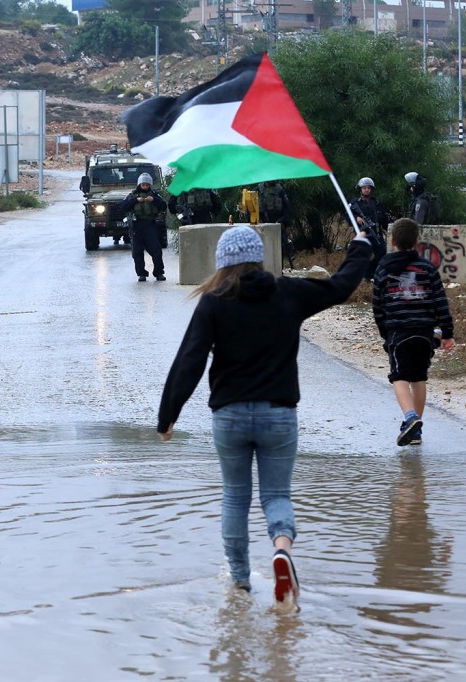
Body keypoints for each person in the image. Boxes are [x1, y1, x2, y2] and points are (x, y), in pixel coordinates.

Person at [157, 226, 372, 603]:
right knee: (276, 494)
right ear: (259, 257)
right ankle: (282, 550)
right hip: (279, 414)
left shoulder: (214, 301)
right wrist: (359, 248)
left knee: (236, 498)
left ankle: (240, 580)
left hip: (230, 415)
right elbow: (339, 288)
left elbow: (190, 358)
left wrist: (169, 413)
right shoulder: (288, 292)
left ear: (222, 262)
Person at [372, 218, 456, 446]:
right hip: (425, 333)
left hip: (398, 332)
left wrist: (384, 332)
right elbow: (440, 301)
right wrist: (447, 333)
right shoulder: (427, 268)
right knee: (419, 378)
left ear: (393, 241)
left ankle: (410, 417)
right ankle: (416, 431)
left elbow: (377, 305)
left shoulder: (384, 267)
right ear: (417, 241)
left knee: (399, 377)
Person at [119, 173, 168, 282]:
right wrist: (136, 200)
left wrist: (154, 200)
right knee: (137, 252)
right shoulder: (133, 195)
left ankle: (159, 272)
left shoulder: (154, 195)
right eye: (143, 185)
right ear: (139, 185)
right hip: (137, 225)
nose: (145, 187)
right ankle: (141, 273)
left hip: (150, 224)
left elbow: (164, 206)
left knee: (156, 250)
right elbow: (123, 206)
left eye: (147, 185)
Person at [349, 177, 389, 281]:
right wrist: (356, 218)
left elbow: (384, 217)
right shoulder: (354, 203)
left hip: (375, 232)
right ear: (360, 189)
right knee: (363, 256)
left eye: (368, 188)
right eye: (364, 188)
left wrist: (384, 226)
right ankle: (364, 276)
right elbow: (347, 215)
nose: (366, 190)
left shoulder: (376, 203)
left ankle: (370, 272)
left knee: (382, 253)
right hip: (362, 234)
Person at [258, 181, 296, 269]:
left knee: (280, 246)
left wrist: (287, 224)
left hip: (278, 222)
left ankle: (279, 269)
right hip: (262, 222)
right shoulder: (259, 189)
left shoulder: (279, 190)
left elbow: (287, 208)